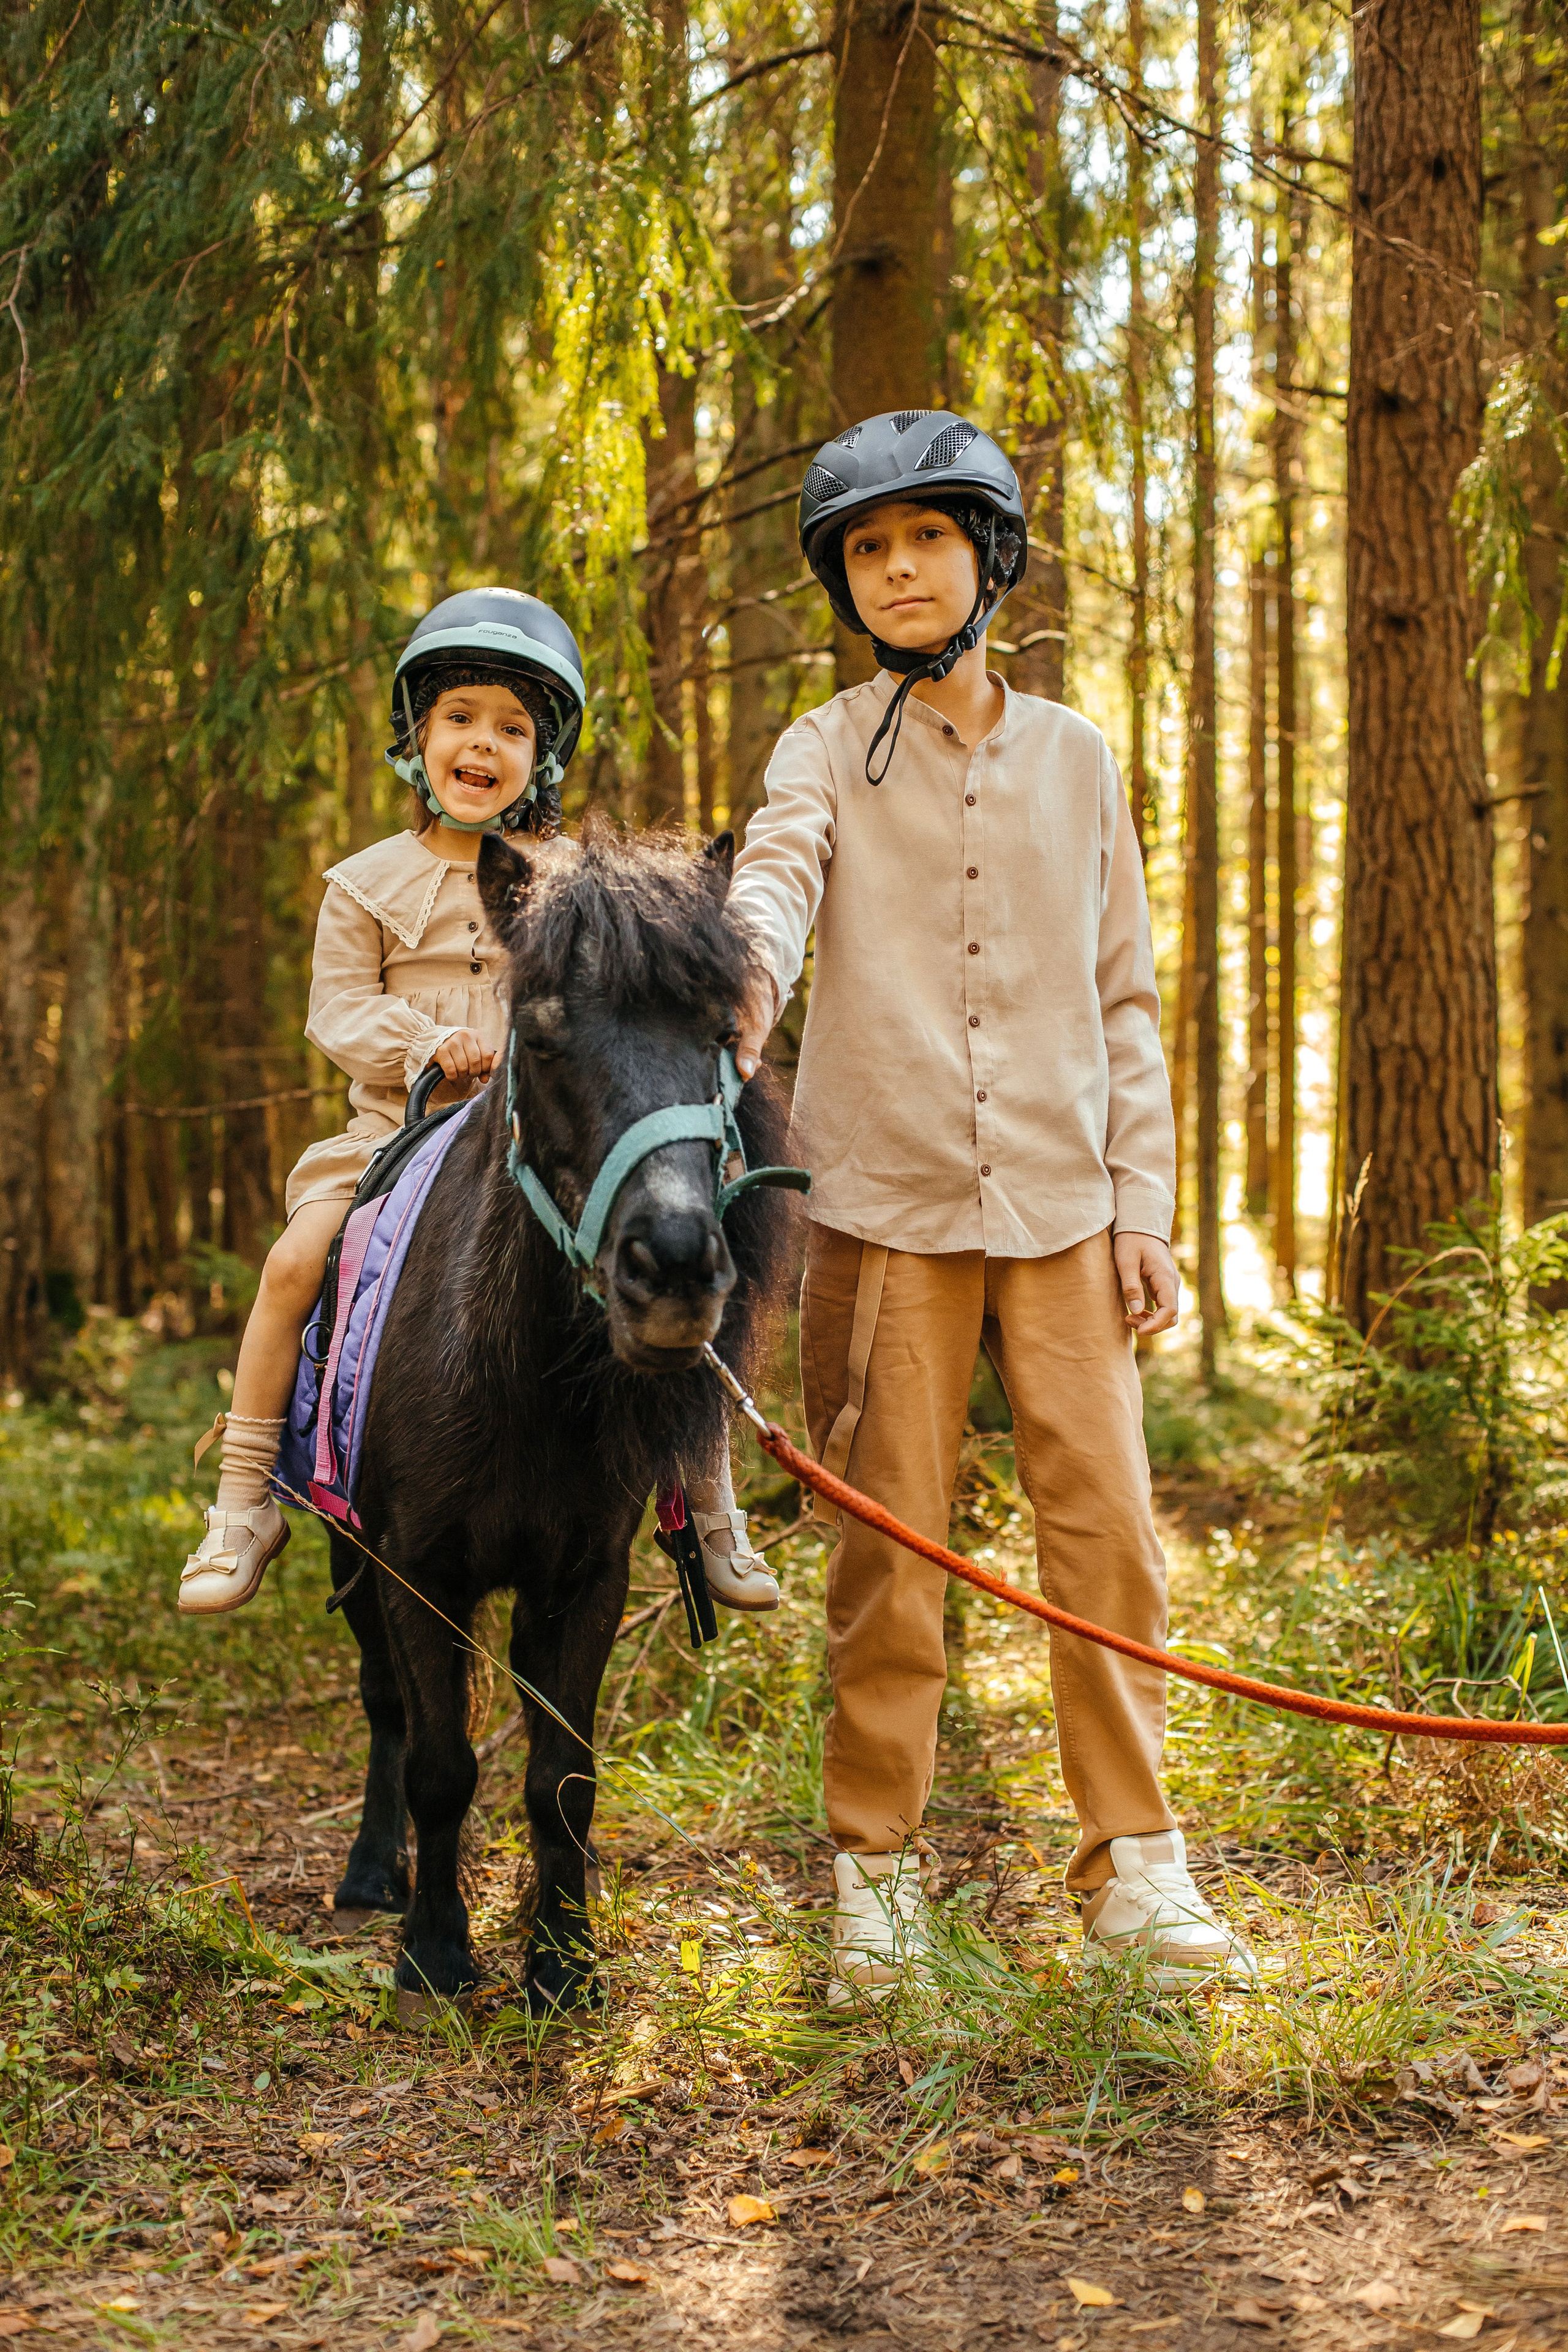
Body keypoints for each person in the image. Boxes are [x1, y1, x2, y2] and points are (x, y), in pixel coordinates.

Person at [725, 410, 1256, 1994]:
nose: (899, 571)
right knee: (889, 1549)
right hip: (881, 1207)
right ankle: (875, 1874)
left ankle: (1138, 1875)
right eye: (871, 550)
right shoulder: (821, 747)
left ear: (987, 558)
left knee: (1112, 1538)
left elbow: (1130, 1000)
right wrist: (742, 976)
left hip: (1067, 1212)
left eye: (928, 541)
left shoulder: (1080, 758)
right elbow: (779, 872)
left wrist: (1146, 1207)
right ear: (847, 578)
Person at [178, 588, 775, 1620]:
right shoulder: (366, 884)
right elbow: (336, 1010)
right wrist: (425, 1043)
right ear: (420, 736)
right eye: (460, 718)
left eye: (512, 728)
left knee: (671, 1242)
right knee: (292, 1262)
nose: (482, 744)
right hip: (395, 1133)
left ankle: (708, 1496)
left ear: (538, 758)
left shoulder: (578, 885)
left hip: (546, 1136)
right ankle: (245, 1499)